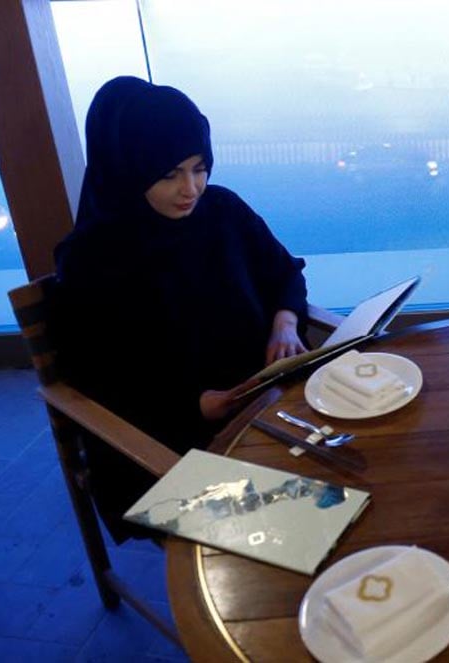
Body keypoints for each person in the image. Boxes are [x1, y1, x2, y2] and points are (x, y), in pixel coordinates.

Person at [54, 76, 311, 541]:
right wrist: (195, 407)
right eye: (169, 173)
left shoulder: (223, 211)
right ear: (129, 169)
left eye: (199, 167)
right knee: (301, 526)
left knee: (364, 475)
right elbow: (95, 379)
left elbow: (284, 271)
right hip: (159, 445)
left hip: (264, 409)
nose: (190, 188)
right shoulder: (92, 259)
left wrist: (285, 321)